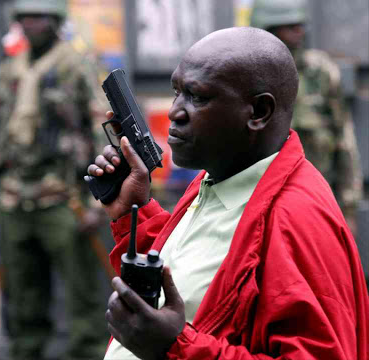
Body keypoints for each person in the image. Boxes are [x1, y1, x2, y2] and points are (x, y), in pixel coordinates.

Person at [87, 27, 369, 359]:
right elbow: (192, 286)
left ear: (259, 112)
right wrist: (134, 211)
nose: (175, 112)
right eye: (177, 91)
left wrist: (175, 348)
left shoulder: (297, 220)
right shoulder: (219, 178)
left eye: (198, 97)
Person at [0, 0, 108, 359]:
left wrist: (98, 203)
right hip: (15, 200)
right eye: (25, 18)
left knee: (84, 302)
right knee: (23, 303)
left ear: (55, 20)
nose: (32, 25)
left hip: (64, 199)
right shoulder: (8, 72)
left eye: (40, 18)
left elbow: (100, 130)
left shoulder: (74, 67)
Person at [250, 0, 363, 233]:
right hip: (262, 200)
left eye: (300, 25)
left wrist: (349, 207)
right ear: (268, 29)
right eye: (290, 26)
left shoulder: (320, 72)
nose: (299, 32)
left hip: (317, 197)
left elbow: (344, 140)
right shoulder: (248, 75)